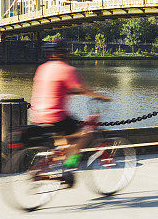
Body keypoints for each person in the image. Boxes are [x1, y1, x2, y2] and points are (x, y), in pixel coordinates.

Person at [30, 39, 110, 185]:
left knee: (64, 144)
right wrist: (100, 96)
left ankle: (46, 166)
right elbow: (83, 89)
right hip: (56, 116)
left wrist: (69, 91)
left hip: (36, 115)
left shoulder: (42, 68)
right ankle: (68, 171)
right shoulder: (67, 69)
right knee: (87, 134)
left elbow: (58, 87)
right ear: (65, 53)